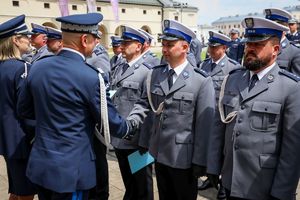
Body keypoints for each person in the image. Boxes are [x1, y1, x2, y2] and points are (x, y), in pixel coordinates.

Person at [17, 13, 136, 200]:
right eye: (95, 39)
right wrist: (132, 124)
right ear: (84, 39)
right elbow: (110, 123)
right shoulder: (90, 76)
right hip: (71, 171)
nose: (97, 43)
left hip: (42, 164)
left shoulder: (38, 67)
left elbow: (24, 110)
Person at [207, 17, 300, 200]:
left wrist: (282, 192)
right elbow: (220, 126)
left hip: (262, 186)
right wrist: (213, 165)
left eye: (258, 45)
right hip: (229, 180)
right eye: (249, 43)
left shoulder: (291, 88)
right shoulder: (233, 79)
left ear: (275, 50)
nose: (249, 49)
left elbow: (292, 150)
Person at [127, 19, 215, 200]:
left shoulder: (201, 81)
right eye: (164, 44)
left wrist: (201, 160)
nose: (165, 49)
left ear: (185, 47)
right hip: (159, 153)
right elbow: (146, 107)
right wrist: (141, 137)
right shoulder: (155, 74)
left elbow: (204, 126)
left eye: (170, 45)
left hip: (184, 158)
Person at [110, 26, 154, 200]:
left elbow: (149, 109)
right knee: (129, 183)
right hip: (120, 138)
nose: (122, 46)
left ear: (139, 46)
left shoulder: (147, 71)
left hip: (137, 141)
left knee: (142, 186)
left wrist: (145, 141)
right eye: (123, 42)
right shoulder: (120, 67)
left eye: (127, 43)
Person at [199, 30, 241, 200]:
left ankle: (224, 185)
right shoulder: (204, 65)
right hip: (206, 116)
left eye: (215, 47)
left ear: (224, 48)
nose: (210, 50)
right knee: (209, 150)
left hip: (223, 118)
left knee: (223, 153)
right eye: (210, 46)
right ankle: (210, 177)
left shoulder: (233, 68)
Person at [0, 14, 37, 200]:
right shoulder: (21, 68)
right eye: (26, 37)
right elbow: (27, 110)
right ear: (15, 40)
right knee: (26, 192)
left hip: (6, 138)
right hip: (22, 139)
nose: (29, 40)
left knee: (16, 189)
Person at [264, 8, 300, 75]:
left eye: (272, 27)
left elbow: (296, 84)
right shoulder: (262, 48)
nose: (267, 30)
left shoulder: (295, 53)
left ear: (283, 28)